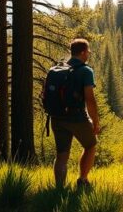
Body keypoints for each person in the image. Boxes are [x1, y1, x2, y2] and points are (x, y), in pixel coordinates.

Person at [50, 38, 101, 189]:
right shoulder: (86, 71)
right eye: (88, 51)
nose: (89, 53)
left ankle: (59, 189)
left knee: (61, 155)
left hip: (57, 117)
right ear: (83, 52)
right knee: (90, 145)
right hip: (77, 117)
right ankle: (83, 180)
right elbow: (90, 100)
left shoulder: (58, 69)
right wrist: (95, 121)